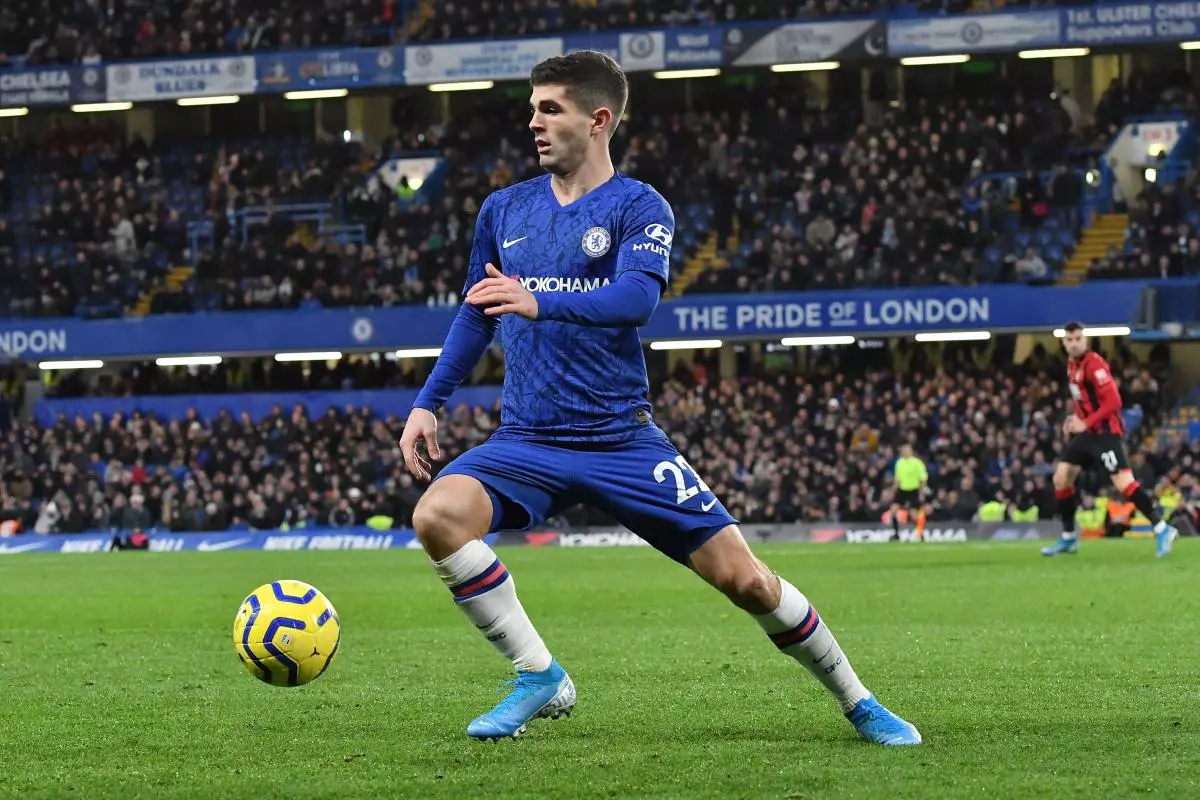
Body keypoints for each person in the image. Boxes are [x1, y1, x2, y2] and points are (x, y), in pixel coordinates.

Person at [399, 51, 921, 747]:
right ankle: (539, 675)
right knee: (437, 516)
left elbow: (635, 299)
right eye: (533, 109)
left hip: (621, 439)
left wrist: (541, 298)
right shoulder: (504, 209)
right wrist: (429, 401)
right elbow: (477, 311)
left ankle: (859, 702)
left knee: (748, 583)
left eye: (550, 109)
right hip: (528, 439)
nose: (534, 122)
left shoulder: (639, 206)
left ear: (599, 119)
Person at [1042, 321, 1177, 557]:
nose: (1074, 344)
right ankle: (1068, 538)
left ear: (1085, 340)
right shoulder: (1071, 365)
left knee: (1124, 483)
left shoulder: (1094, 364)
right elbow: (1083, 399)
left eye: (1078, 339)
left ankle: (1163, 528)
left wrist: (1085, 422)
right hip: (1088, 433)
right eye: (1069, 340)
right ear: (1064, 343)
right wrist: (1076, 417)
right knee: (1062, 477)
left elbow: (1114, 402)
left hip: (1106, 434)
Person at [890, 444, 928, 542]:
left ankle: (920, 534)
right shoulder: (899, 463)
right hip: (902, 490)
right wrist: (894, 489)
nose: (905, 452)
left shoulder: (917, 463)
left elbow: (923, 478)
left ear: (911, 452)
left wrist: (921, 492)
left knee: (914, 514)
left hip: (913, 490)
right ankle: (896, 534)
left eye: (907, 450)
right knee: (893, 510)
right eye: (904, 450)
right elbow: (897, 478)